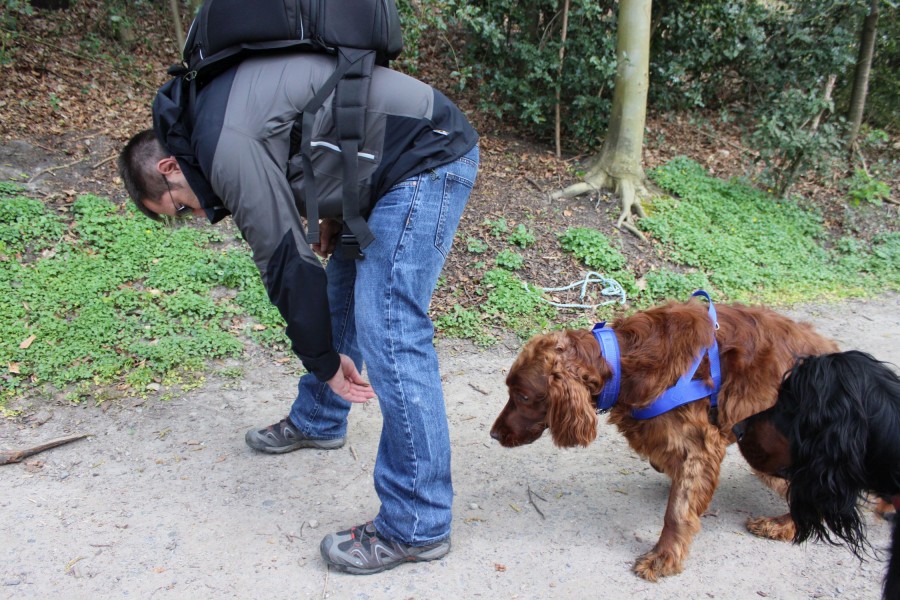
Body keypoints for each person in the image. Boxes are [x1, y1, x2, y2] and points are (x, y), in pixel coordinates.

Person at [118, 52, 479, 575]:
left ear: (169, 168)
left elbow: (287, 264)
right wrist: (332, 210)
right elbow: (311, 132)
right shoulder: (211, 120)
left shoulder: (222, 146)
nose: (196, 215)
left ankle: (417, 524)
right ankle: (319, 419)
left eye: (179, 208)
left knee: (390, 329)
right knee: (341, 292)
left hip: (424, 155)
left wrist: (325, 362)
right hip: (383, 164)